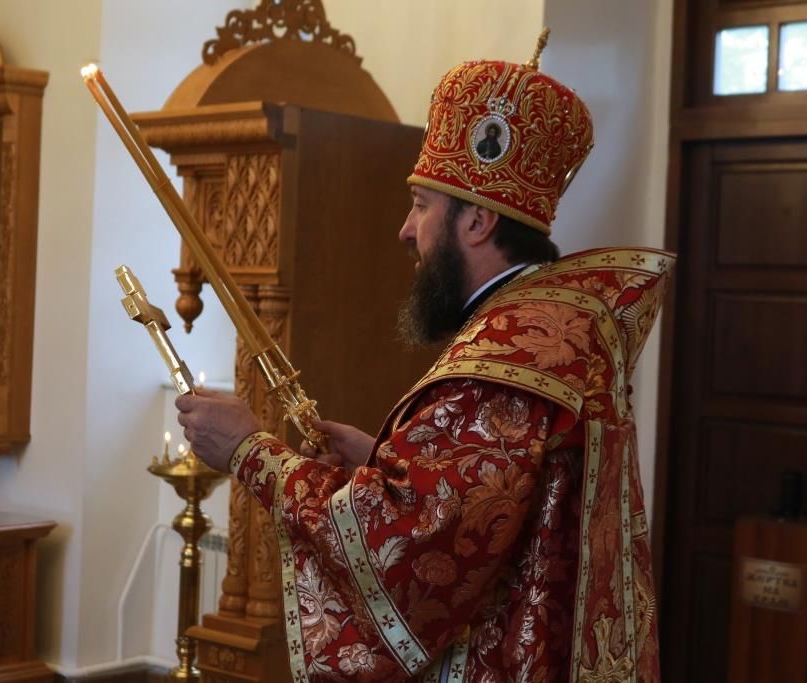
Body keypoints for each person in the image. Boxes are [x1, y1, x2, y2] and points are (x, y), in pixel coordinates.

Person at [177, 38, 673, 682]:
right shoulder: (560, 331)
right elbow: (487, 505)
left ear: (477, 223)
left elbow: (402, 549)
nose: (406, 230)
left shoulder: (506, 359)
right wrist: (384, 458)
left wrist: (250, 452)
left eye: (420, 205)